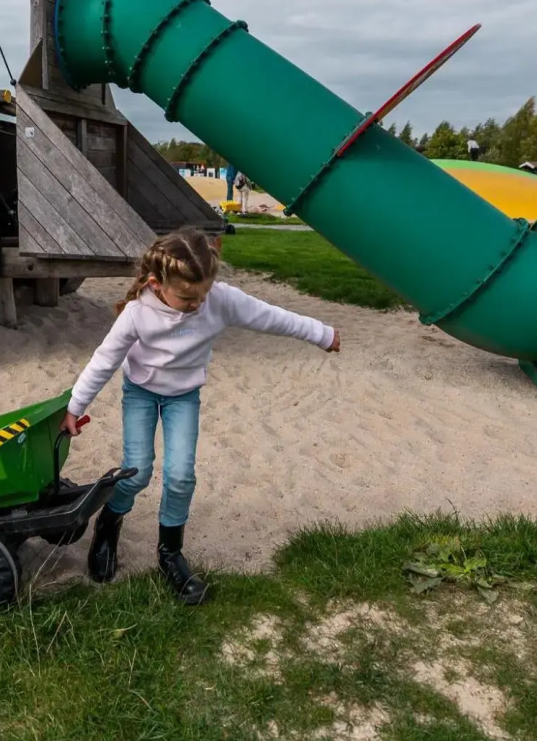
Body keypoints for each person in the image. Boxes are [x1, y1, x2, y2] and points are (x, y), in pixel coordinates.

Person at [62, 228, 341, 605]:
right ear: (156, 284)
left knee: (180, 475)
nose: (197, 305)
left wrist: (321, 333)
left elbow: (271, 317)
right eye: (187, 298)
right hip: (141, 394)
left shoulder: (218, 301)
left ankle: (170, 553)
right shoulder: (137, 313)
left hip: (183, 397)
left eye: (203, 295)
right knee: (138, 470)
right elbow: (104, 360)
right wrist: (75, 408)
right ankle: (109, 525)